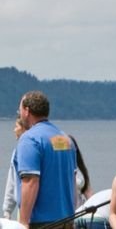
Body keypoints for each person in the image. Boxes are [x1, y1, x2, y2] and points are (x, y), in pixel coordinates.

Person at [13, 90, 76, 229]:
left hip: (42, 222)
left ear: (26, 111)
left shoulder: (30, 139)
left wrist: (23, 222)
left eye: (20, 110)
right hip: (67, 219)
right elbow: (72, 179)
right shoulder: (65, 139)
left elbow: (30, 181)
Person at [3, 118, 26, 219]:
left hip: (27, 210)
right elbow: (12, 182)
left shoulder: (21, 152)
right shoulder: (17, 152)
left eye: (17, 126)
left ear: (24, 129)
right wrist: (7, 211)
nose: (14, 130)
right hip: (22, 209)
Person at [69, 135, 93, 208]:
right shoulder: (60, 167)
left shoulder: (80, 168)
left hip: (80, 211)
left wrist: (95, 205)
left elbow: (88, 191)